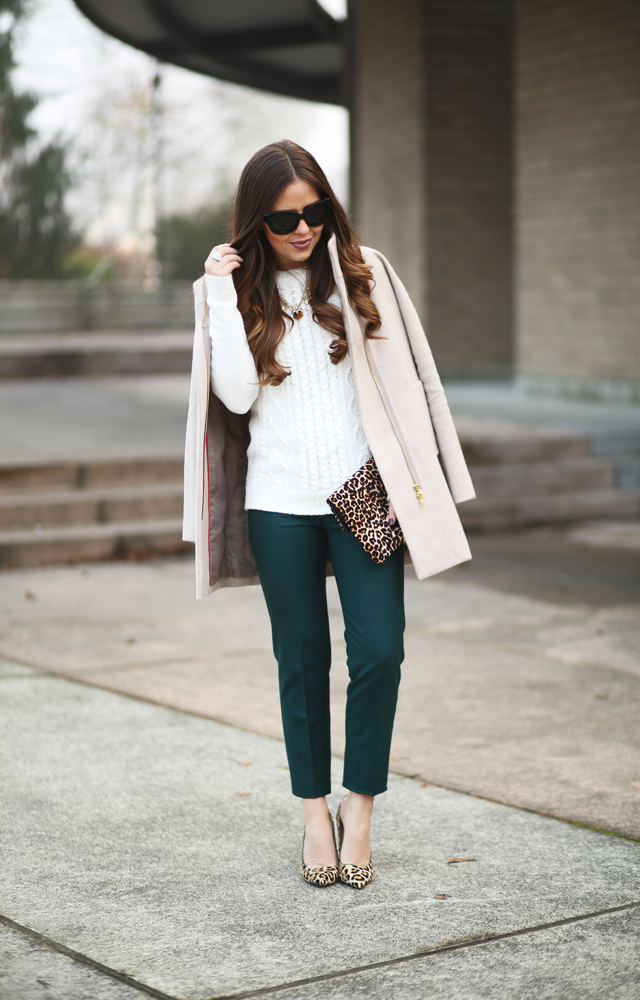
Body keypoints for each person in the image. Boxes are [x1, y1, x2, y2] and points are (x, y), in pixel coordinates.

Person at [183, 140, 475, 889]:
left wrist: (437, 473)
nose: (305, 228)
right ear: (257, 223)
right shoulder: (233, 290)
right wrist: (219, 293)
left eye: (315, 211)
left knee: (380, 651)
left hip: (362, 492)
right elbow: (239, 398)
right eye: (286, 219)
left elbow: (419, 377)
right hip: (278, 502)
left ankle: (361, 808)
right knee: (302, 661)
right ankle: (315, 815)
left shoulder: (363, 271)